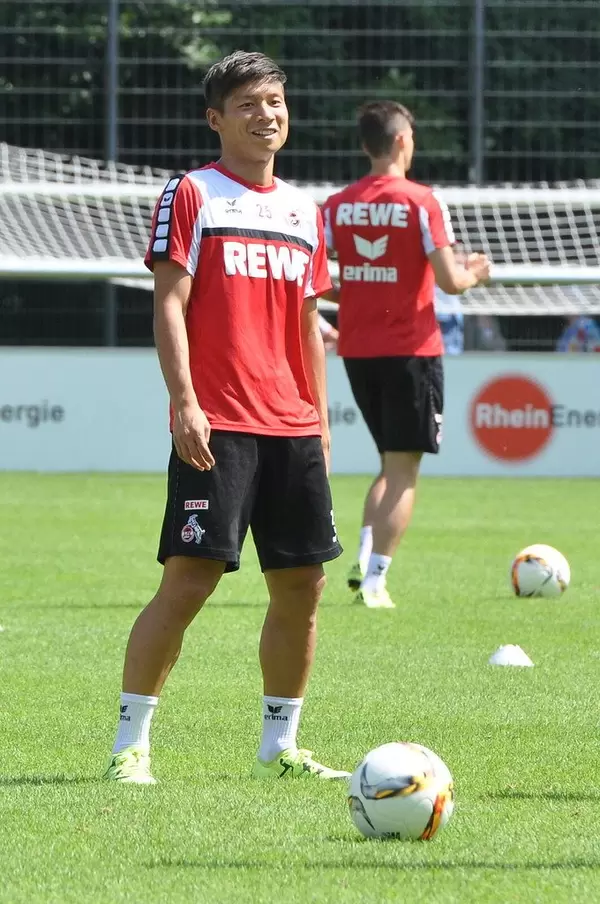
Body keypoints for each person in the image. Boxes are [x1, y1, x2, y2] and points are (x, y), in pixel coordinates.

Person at [103, 51, 348, 784]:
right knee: (190, 579)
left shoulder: (306, 210)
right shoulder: (191, 193)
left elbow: (308, 322)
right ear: (216, 119)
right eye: (246, 103)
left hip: (293, 425)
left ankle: (281, 748)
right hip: (221, 422)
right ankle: (130, 745)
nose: (265, 113)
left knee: (303, 587)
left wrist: (322, 420)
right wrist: (184, 400)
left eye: (274, 100)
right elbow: (169, 301)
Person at [322, 100, 490, 609]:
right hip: (411, 351)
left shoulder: (335, 206)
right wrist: (477, 271)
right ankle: (375, 581)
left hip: (358, 350)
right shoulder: (421, 201)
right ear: (401, 141)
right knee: (404, 471)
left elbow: (314, 279)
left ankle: (364, 563)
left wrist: (356, 299)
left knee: (389, 464)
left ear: (363, 145)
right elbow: (450, 281)